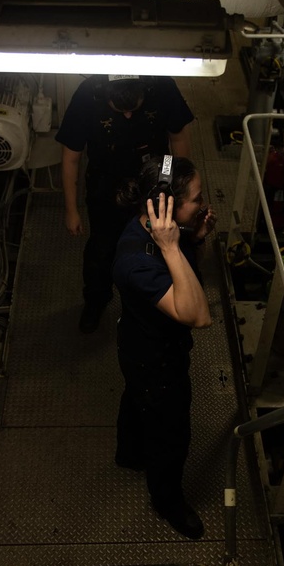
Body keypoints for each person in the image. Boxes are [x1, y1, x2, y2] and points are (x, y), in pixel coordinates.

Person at [112, 156, 216, 540]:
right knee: (171, 437)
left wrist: (195, 239)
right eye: (197, 199)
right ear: (164, 205)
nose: (203, 205)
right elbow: (199, 315)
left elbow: (191, 275)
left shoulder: (166, 230)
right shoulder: (136, 260)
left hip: (139, 347)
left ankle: (129, 455)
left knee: (135, 400)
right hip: (156, 362)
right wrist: (173, 248)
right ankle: (167, 500)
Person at [56, 75, 194, 333]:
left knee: (159, 246)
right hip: (106, 182)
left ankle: (155, 302)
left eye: (134, 108)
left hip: (156, 177)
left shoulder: (163, 86)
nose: (129, 116)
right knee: (101, 251)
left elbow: (178, 139)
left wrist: (178, 189)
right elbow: (71, 157)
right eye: (121, 111)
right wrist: (71, 209)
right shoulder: (87, 94)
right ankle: (96, 301)